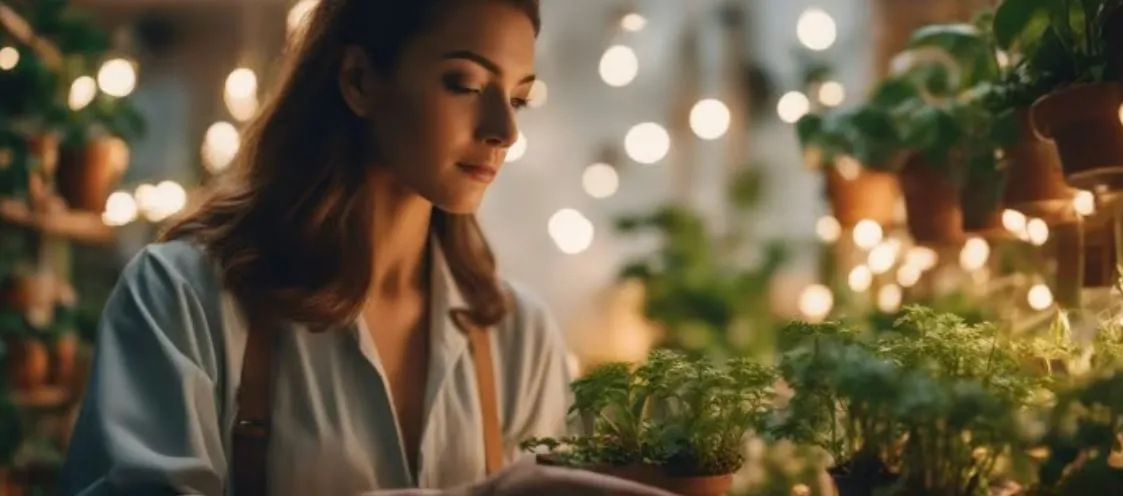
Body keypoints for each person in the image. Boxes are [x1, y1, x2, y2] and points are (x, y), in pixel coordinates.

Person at [60, 1, 671, 495]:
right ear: (358, 80)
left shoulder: (519, 336)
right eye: (463, 83)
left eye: (516, 97)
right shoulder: (182, 297)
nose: (504, 131)